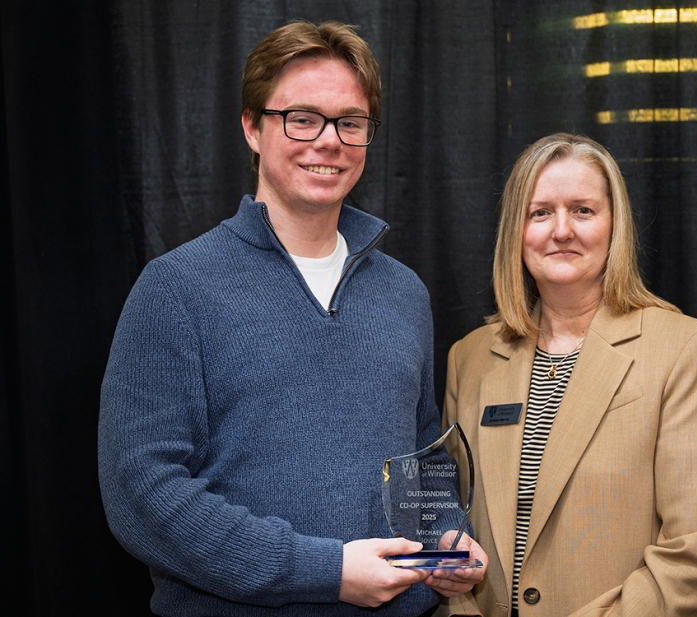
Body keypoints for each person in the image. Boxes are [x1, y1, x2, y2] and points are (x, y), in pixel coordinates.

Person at [99, 20, 485, 617]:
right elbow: (143, 494)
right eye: (301, 118)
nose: (328, 141)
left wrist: (445, 538)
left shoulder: (403, 293)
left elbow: (420, 462)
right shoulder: (176, 288)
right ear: (252, 127)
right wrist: (324, 573)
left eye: (350, 123)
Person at [438, 133, 697, 616]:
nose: (561, 230)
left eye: (583, 210)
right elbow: (448, 529)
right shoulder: (469, 359)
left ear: (614, 226)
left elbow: (695, 558)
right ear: (516, 231)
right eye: (540, 213)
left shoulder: (687, 351)